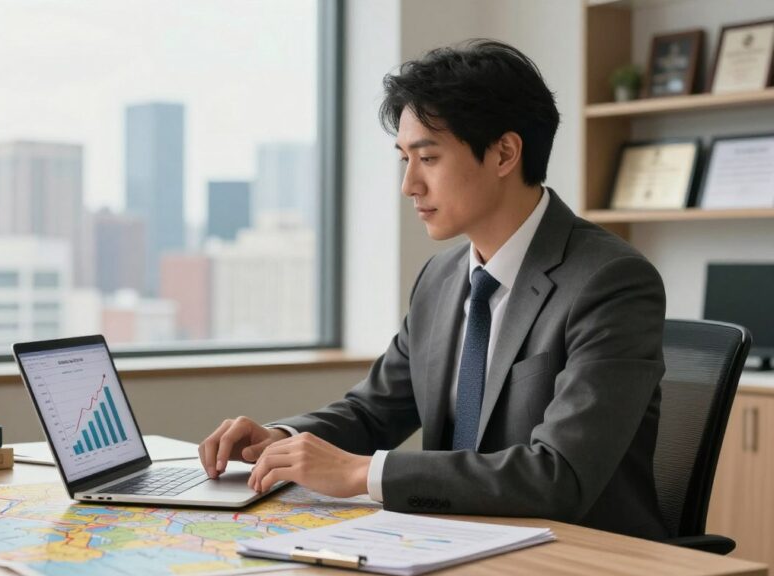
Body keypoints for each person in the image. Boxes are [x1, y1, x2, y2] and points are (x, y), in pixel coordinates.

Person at [198, 39, 668, 540]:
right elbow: (375, 409)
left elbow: (559, 475)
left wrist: (363, 473)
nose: (409, 185)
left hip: (580, 557)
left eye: (428, 158)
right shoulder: (441, 279)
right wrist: (282, 438)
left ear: (505, 153)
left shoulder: (610, 281)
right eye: (404, 158)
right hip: (453, 542)